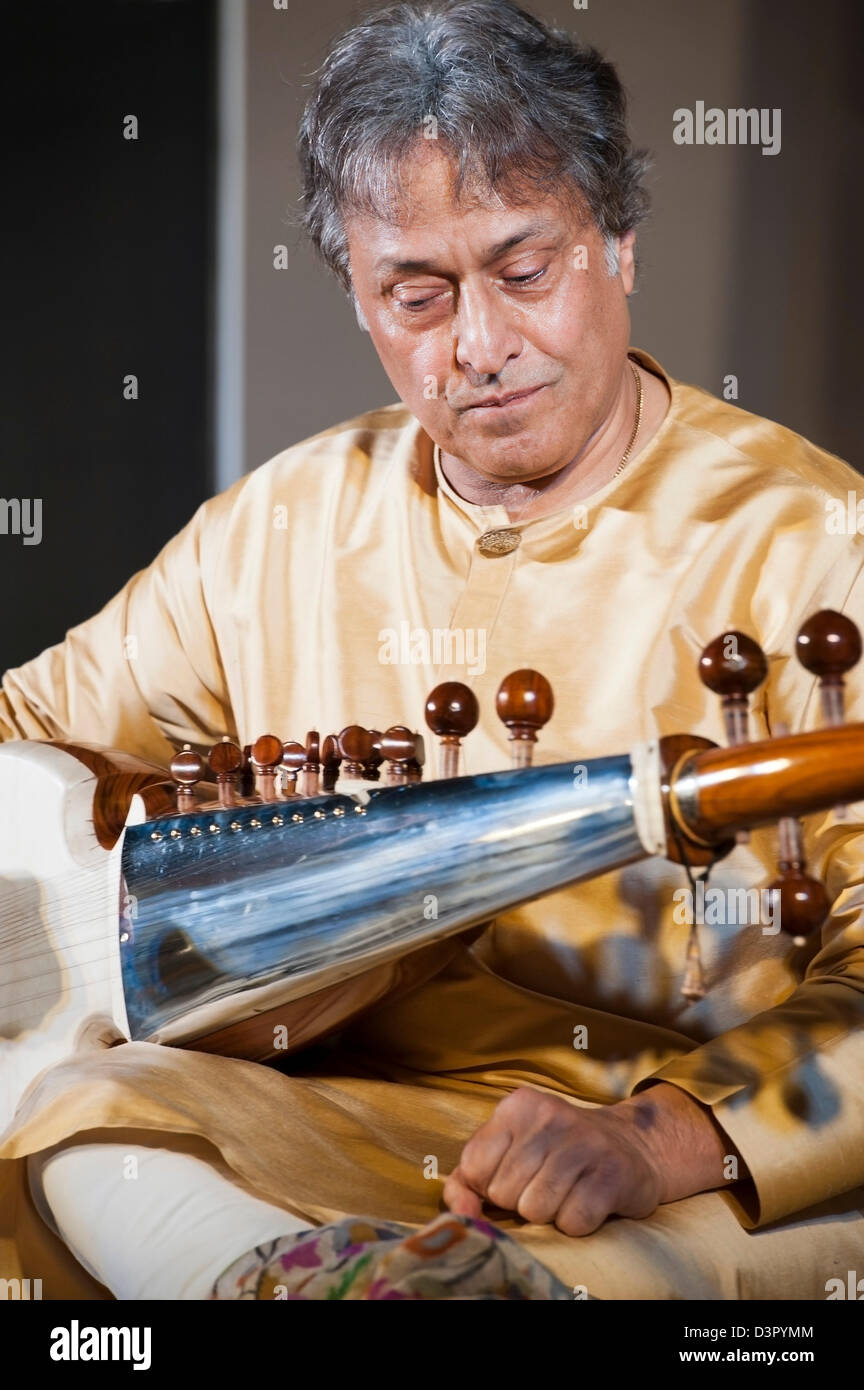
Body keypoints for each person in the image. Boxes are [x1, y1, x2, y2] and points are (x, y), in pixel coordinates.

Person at [2, 0, 864, 1300]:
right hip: (361, 1112)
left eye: (525, 271)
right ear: (354, 290)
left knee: (575, 1276)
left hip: (680, 1143)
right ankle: (306, 1281)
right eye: (416, 291)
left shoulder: (813, 543)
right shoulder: (282, 532)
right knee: (79, 1121)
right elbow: (27, 740)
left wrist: (662, 1134)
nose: (476, 345)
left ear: (618, 240)